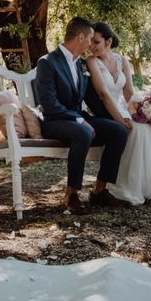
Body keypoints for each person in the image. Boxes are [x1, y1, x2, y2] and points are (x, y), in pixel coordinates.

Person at [36, 17, 130, 215]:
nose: (90, 44)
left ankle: (100, 190)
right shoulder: (47, 62)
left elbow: (93, 101)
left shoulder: (80, 64)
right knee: (83, 132)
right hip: (55, 121)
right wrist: (79, 119)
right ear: (80, 37)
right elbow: (49, 105)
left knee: (118, 132)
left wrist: (119, 118)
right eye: (89, 39)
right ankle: (72, 194)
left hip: (78, 118)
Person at [85, 22, 151, 205]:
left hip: (123, 108)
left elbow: (128, 93)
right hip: (104, 111)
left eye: (96, 42)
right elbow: (104, 94)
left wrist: (143, 109)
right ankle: (121, 185)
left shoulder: (121, 60)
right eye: (91, 42)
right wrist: (120, 119)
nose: (92, 46)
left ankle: (144, 185)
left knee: (147, 128)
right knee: (135, 130)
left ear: (108, 41)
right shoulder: (92, 61)